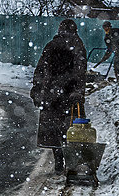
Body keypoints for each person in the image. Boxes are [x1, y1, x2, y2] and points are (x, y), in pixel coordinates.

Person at [32, 18, 87, 173]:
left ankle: (59, 161)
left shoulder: (51, 45)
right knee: (72, 130)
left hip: (51, 95)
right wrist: (77, 91)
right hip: (69, 95)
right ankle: (71, 162)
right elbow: (80, 71)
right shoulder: (77, 45)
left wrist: (37, 89)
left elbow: (40, 70)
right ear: (75, 30)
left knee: (54, 130)